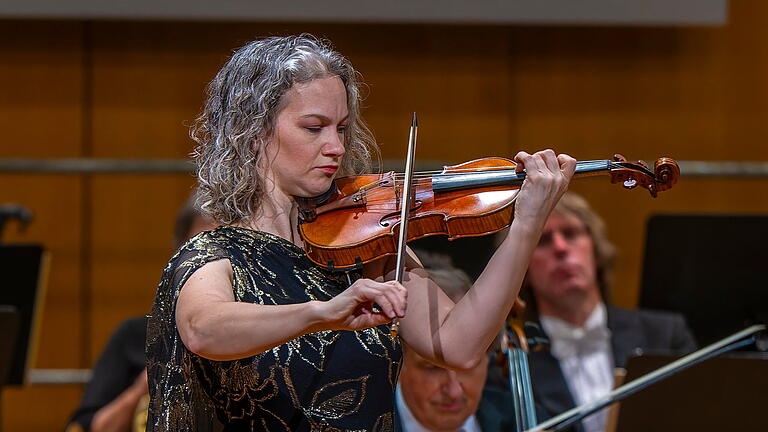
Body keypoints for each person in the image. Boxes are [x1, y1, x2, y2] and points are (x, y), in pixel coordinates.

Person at [145, 34, 576, 431]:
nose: (335, 146)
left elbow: (459, 346)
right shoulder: (214, 254)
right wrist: (324, 312)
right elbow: (203, 328)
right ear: (253, 131)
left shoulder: (365, 247)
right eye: (314, 128)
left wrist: (527, 224)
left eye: (343, 128)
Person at [489, 192, 696, 432]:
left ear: (595, 249)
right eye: (543, 240)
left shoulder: (665, 335)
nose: (560, 247)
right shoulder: (509, 364)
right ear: (522, 269)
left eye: (570, 233)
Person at [67, 200, 216, 432]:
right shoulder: (135, 335)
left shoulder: (262, 339)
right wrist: (143, 387)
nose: (209, 269)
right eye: (198, 254)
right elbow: (89, 427)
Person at [395, 252, 517, 432]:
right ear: (398, 368)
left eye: (469, 367)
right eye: (432, 367)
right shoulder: (361, 422)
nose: (454, 391)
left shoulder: (519, 419)